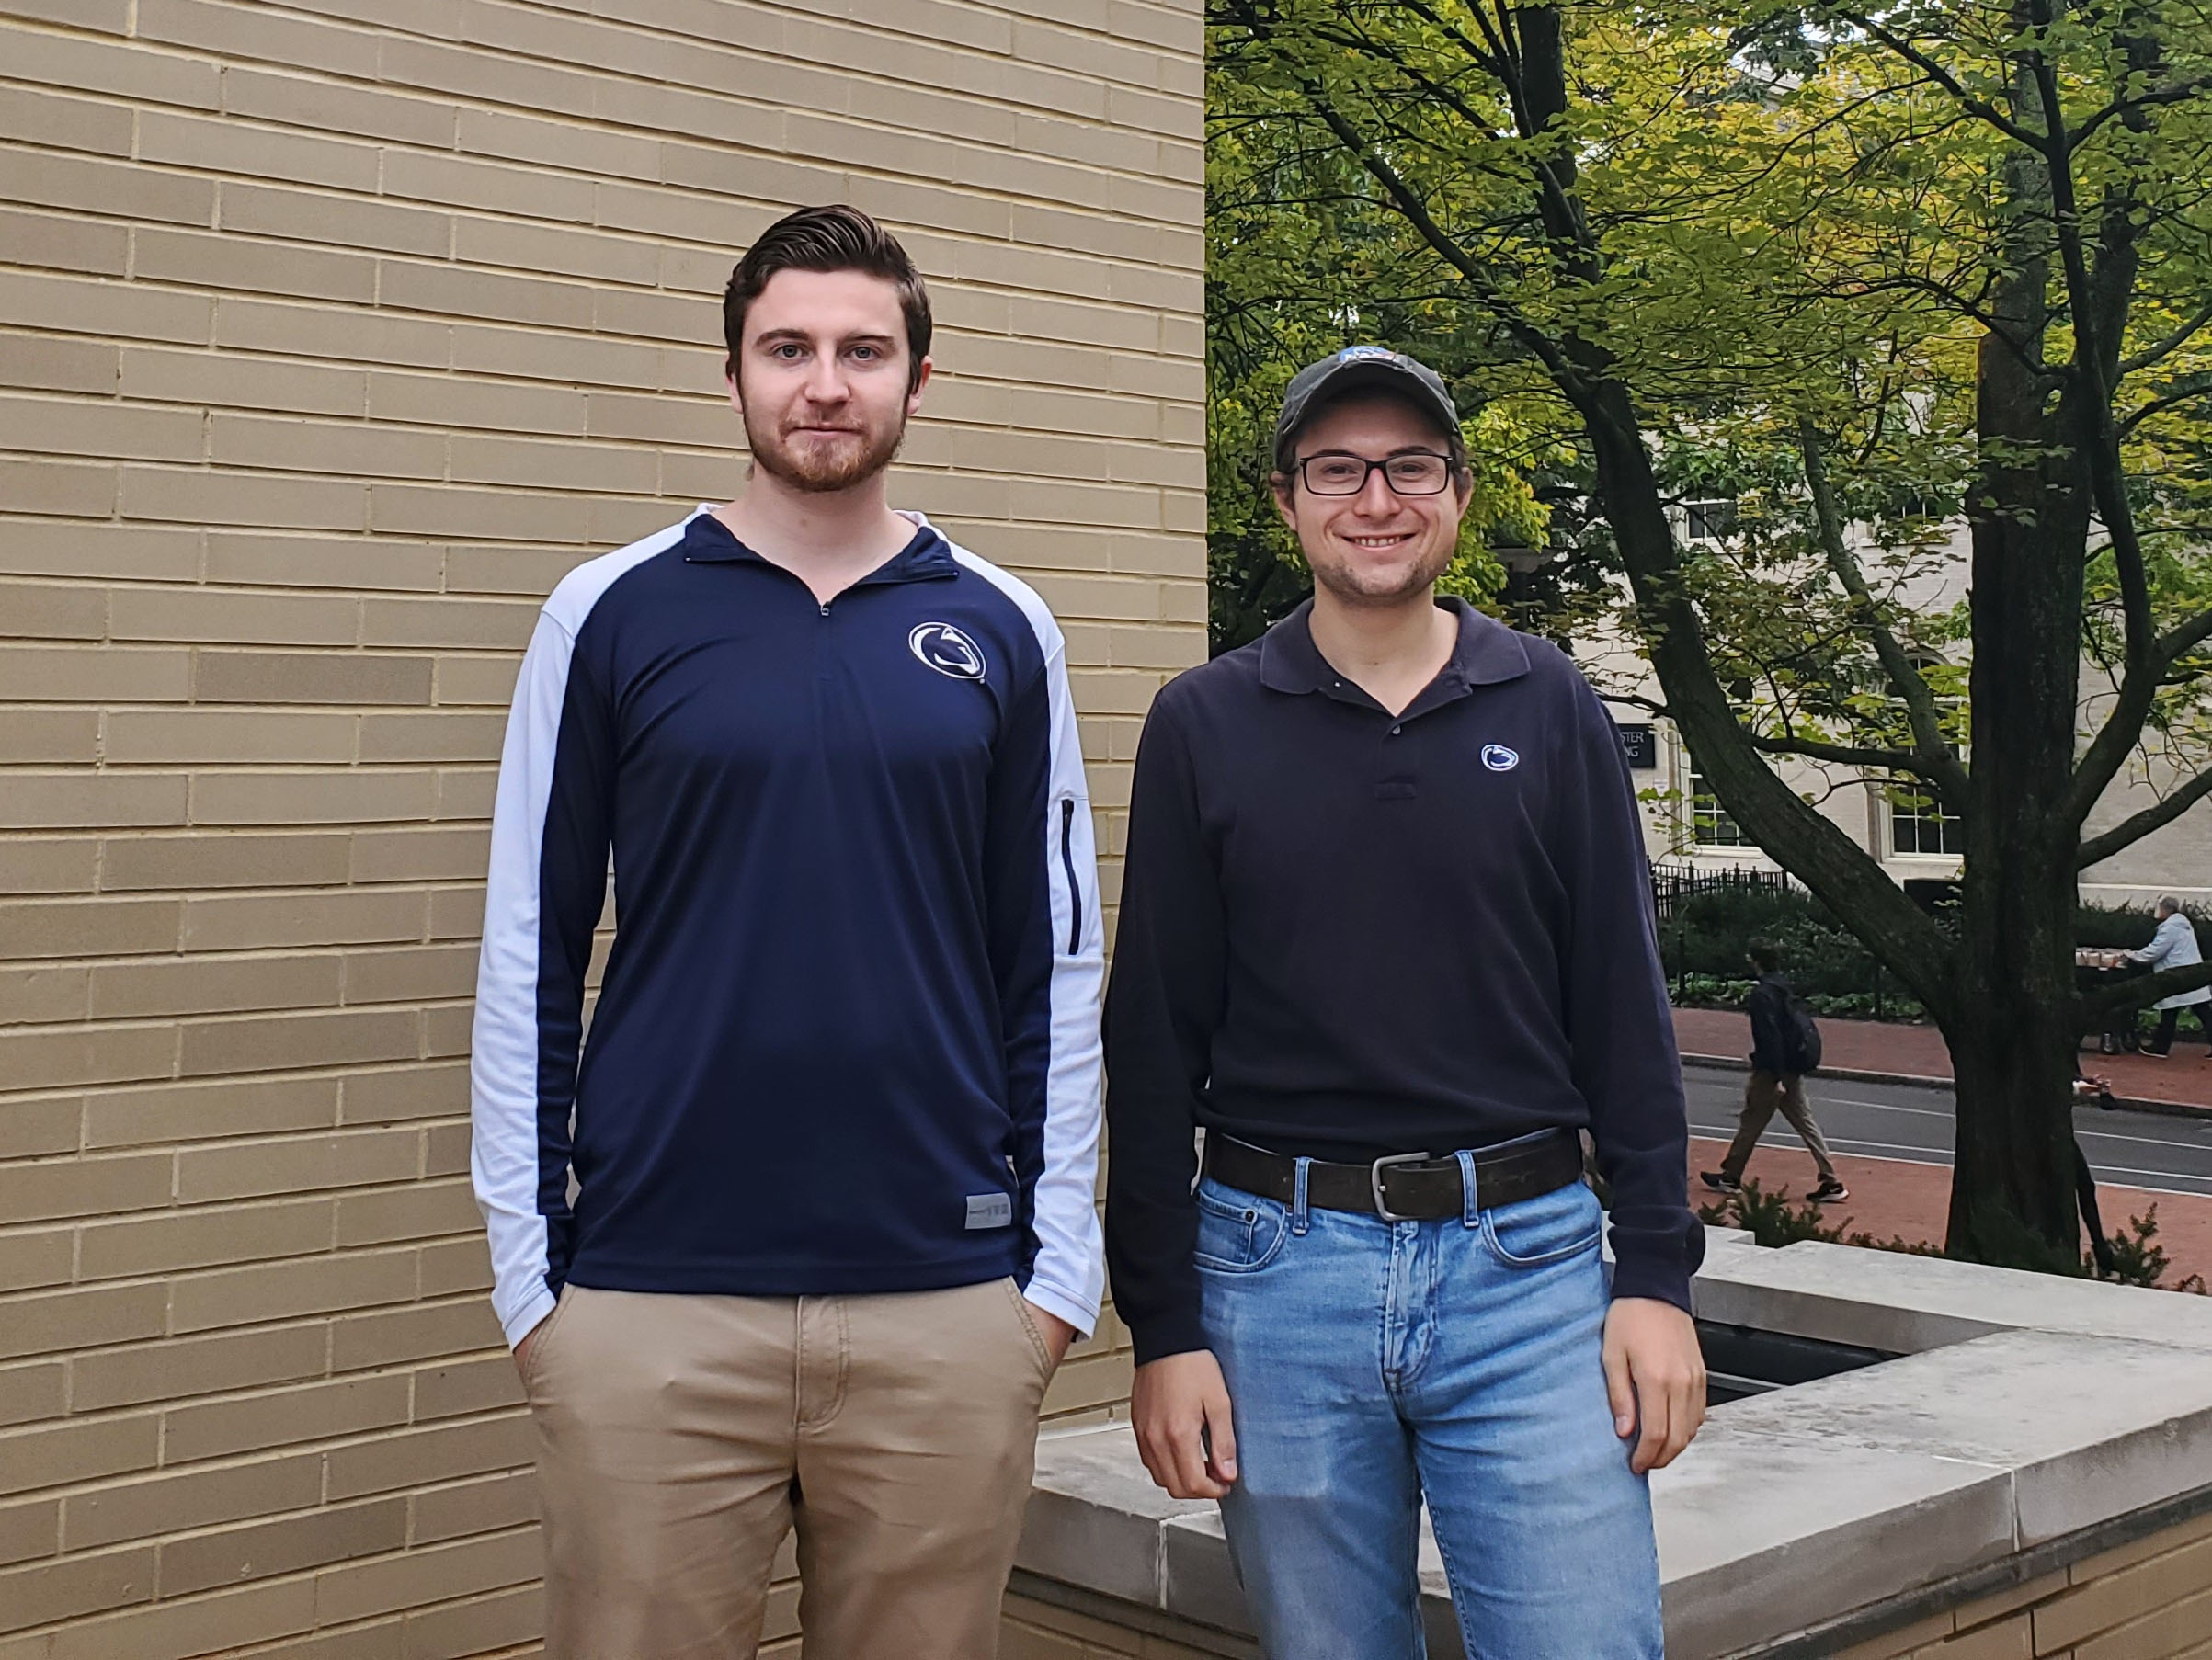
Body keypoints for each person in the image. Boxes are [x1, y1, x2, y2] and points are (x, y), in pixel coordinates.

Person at [469, 204, 1105, 1660]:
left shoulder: (1003, 627)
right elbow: (529, 947)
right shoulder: (609, 614)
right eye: (789, 348)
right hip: (649, 1300)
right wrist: (532, 1278)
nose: (825, 381)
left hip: (944, 1298)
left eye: (862, 350)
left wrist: (1053, 1272)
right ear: (736, 372)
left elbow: (1055, 960)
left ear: (916, 380)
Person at [1103, 345, 1705, 1659]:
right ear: (1285, 500)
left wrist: (1654, 1273)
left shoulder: (1546, 702)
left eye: (1408, 467)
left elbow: (1623, 1007)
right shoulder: (1205, 720)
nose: (1373, 497)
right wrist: (1163, 1325)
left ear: (1458, 493)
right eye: (1337, 469)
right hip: (1272, 1276)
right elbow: (1148, 1037)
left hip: (1528, 1270)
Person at [1701, 941, 1847, 1202]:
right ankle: (1831, 1179)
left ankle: (1731, 1176)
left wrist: (1776, 1076)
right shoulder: (1784, 987)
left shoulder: (1762, 994)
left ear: (1754, 960)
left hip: (1771, 1071)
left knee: (1751, 1120)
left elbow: (1769, 1036)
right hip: (1793, 1065)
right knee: (1805, 1123)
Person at [2127, 895, 2209, 1058]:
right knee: (2201, 1010)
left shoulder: (2170, 928)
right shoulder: (2183, 925)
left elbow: (2155, 951)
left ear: (2165, 909)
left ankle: (2160, 1047)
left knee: (2171, 1010)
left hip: (2177, 975)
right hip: (2191, 972)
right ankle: (2160, 1045)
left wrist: (2133, 955)